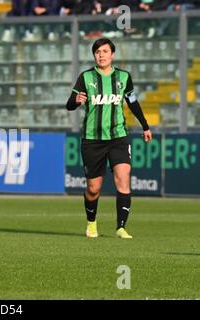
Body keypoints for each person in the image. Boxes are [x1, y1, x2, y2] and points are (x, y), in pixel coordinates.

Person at [65, 38, 153, 239]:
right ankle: (91, 223)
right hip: (92, 139)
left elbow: (132, 102)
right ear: (94, 55)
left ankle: (121, 227)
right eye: (97, 52)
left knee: (123, 179)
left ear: (112, 55)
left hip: (118, 137)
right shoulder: (85, 77)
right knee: (93, 188)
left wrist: (145, 126)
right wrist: (76, 101)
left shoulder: (124, 77)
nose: (101, 55)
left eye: (105, 51)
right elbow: (69, 105)